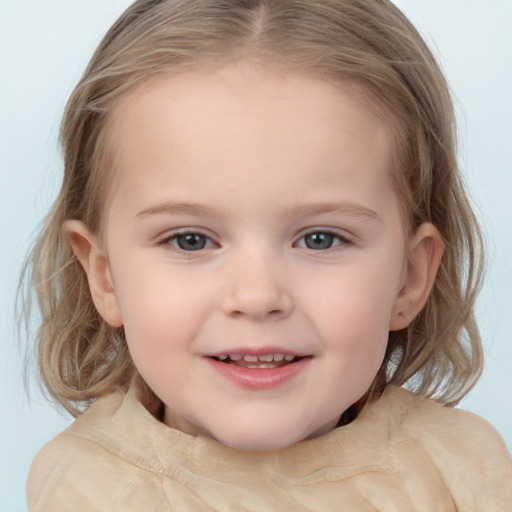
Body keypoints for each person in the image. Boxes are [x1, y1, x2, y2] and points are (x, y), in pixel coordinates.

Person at [24, 0, 512, 510]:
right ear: (103, 276)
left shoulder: (464, 472)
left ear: (409, 278)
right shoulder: (86, 489)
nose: (256, 297)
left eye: (320, 238)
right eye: (190, 240)